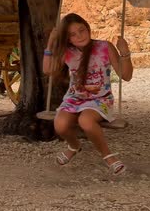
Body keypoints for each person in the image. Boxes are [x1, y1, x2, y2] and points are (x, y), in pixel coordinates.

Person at [43, 13, 133, 175]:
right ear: (68, 38)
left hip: (100, 99)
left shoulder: (104, 47)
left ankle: (108, 156)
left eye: (81, 30)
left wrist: (125, 53)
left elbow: (126, 76)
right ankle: (74, 146)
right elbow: (48, 70)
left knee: (86, 121)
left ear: (88, 29)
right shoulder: (67, 52)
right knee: (60, 125)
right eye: (72, 34)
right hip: (74, 98)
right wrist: (50, 44)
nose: (79, 36)